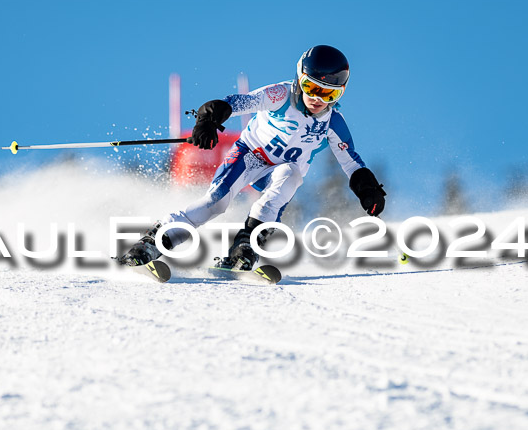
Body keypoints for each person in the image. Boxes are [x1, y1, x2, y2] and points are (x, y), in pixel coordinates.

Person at [119, 45, 386, 270]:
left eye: (329, 93)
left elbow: (351, 161)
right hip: (249, 156)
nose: (317, 98)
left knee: (291, 175)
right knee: (215, 204)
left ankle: (246, 243)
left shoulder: (333, 123)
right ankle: (152, 243)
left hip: (279, 171)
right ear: (299, 78)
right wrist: (208, 120)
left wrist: (368, 189)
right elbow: (236, 103)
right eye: (310, 87)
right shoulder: (281, 95)